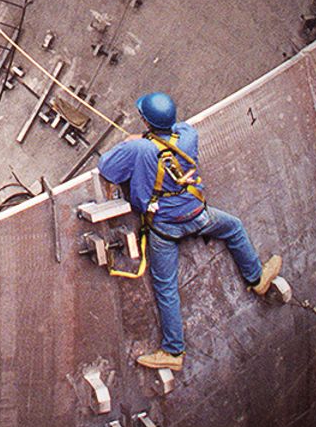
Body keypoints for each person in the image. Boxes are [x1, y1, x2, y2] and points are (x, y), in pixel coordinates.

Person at [98, 91, 282, 373]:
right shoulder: (188, 135)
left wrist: (134, 142)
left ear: (145, 121)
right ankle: (257, 278)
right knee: (234, 227)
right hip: (198, 214)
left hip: (165, 228)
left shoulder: (140, 149)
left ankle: (173, 351)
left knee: (166, 286)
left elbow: (107, 168)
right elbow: (173, 132)